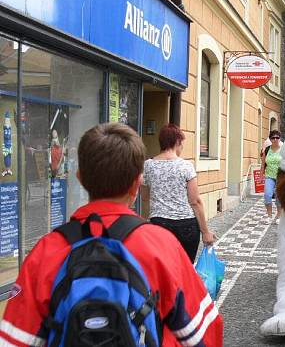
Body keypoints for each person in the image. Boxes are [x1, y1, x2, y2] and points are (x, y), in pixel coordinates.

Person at [0, 123, 223, 346]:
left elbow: (14, 340)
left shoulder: (46, 251)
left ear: (80, 177)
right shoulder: (162, 247)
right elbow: (204, 333)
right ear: (137, 183)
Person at [143, 124, 216, 263]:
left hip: (159, 224)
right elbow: (195, 201)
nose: (182, 147)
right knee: (185, 270)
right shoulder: (186, 166)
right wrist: (205, 232)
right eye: (182, 143)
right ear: (177, 142)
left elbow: (145, 197)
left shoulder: (148, 165)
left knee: (164, 270)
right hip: (186, 226)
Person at [261, 130, 283, 224]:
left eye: (277, 137)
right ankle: (269, 216)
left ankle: (279, 216)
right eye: (273, 138)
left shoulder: (284, 150)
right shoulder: (267, 149)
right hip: (269, 176)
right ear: (270, 139)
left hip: (281, 177)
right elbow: (263, 163)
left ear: (279, 139)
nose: (275, 139)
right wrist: (262, 173)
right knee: (267, 195)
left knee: (278, 198)